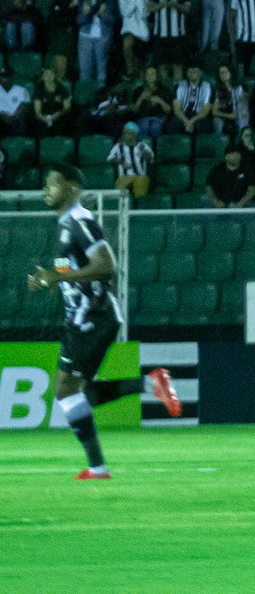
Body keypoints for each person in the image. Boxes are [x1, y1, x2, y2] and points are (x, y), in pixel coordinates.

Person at [25, 163, 182, 478]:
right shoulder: (66, 224)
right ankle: (149, 386)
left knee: (66, 390)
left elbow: (105, 265)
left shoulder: (81, 221)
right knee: (75, 392)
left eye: (52, 183)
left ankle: (99, 465)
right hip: (85, 317)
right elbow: (74, 272)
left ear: (70, 189)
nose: (46, 189)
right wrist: (49, 281)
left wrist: (57, 279)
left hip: (92, 316)